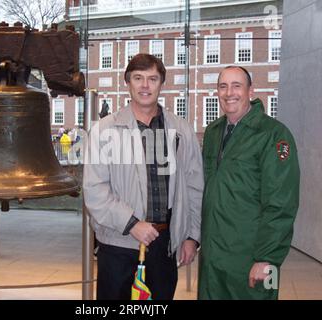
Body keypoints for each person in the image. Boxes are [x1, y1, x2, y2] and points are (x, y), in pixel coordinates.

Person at [83, 53, 204, 300]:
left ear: (162, 83)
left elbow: (194, 186)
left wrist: (191, 236)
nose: (145, 86)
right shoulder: (104, 131)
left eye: (152, 78)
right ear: (128, 82)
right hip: (118, 244)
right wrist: (132, 224)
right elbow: (95, 190)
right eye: (138, 78)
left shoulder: (181, 131)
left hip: (164, 246)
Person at [198, 66, 300, 300]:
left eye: (237, 86)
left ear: (250, 91)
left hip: (251, 260)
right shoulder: (213, 132)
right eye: (222, 86)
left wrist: (268, 258)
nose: (228, 93)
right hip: (213, 259)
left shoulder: (274, 135)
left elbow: (281, 203)